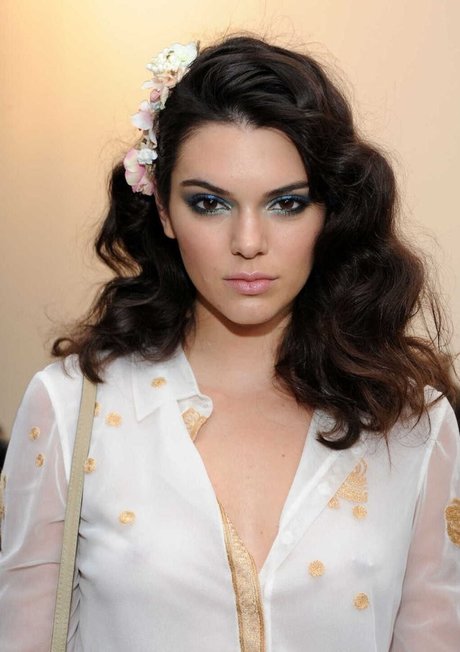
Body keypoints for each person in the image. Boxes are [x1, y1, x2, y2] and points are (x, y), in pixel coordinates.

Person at [0, 35, 459, 652]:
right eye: (210, 203)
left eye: (286, 204)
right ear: (164, 210)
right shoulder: (70, 408)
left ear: (330, 213)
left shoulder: (412, 424)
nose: (248, 242)